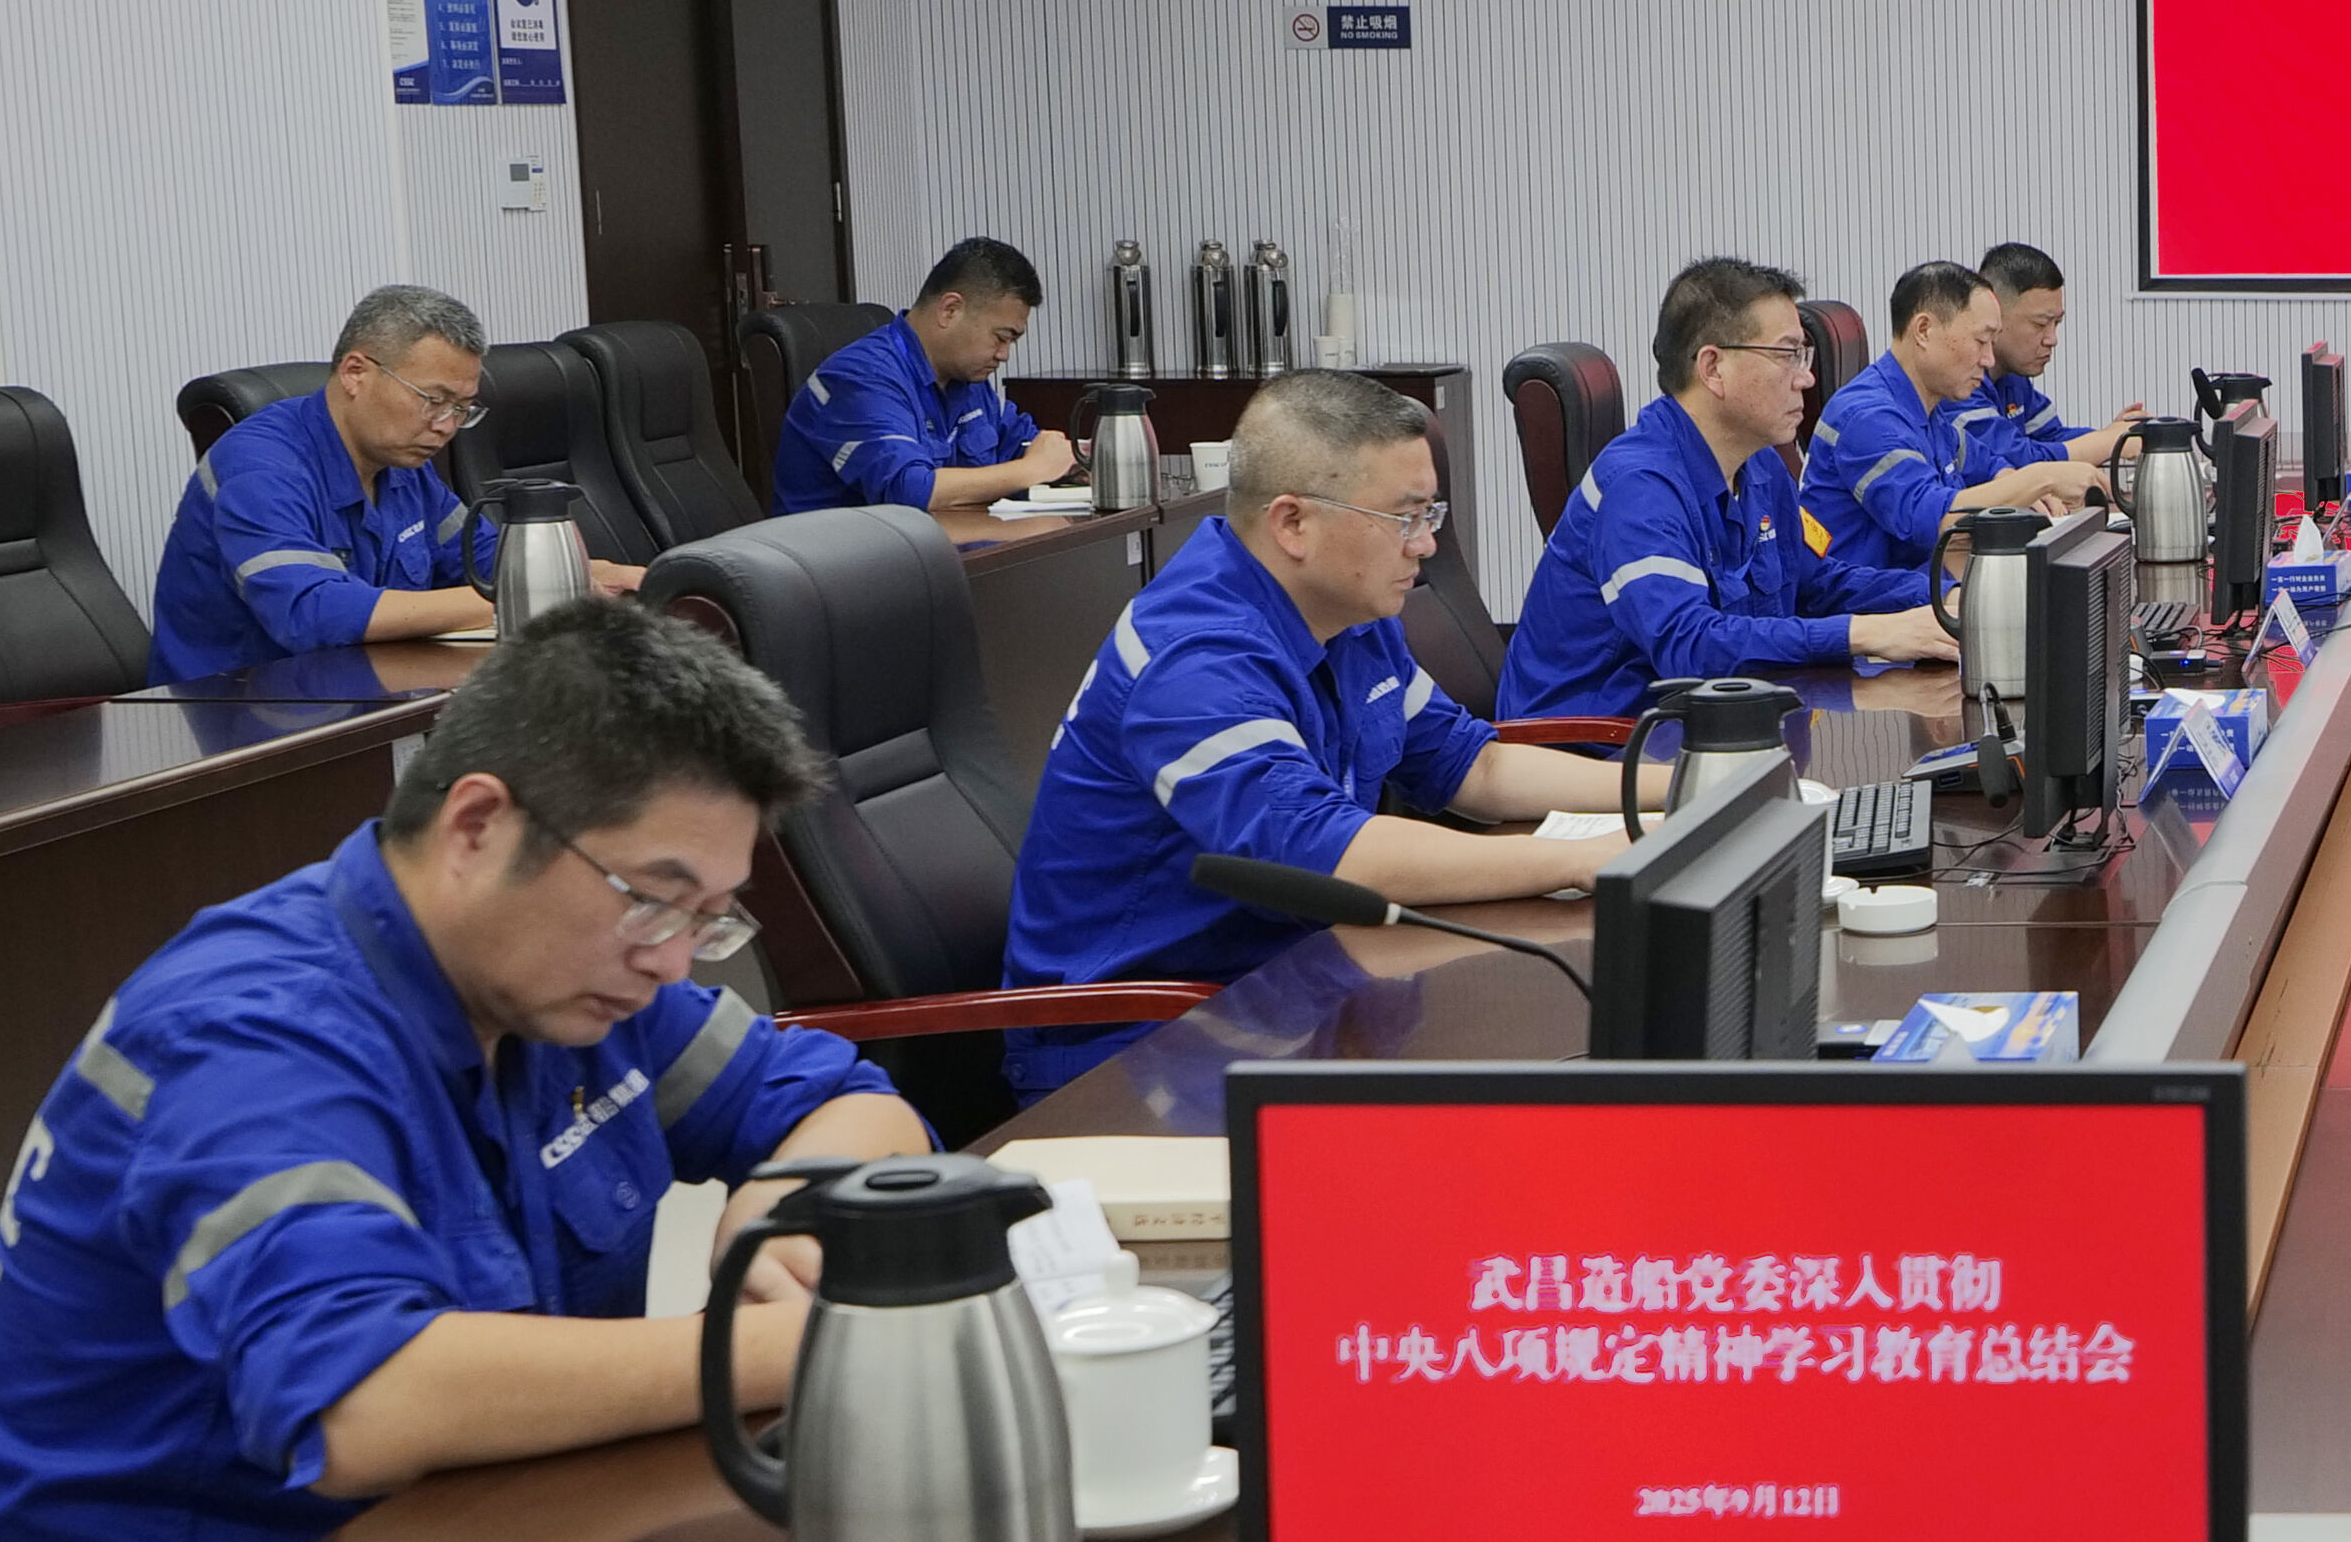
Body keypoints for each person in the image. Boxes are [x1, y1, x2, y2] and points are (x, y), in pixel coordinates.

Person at [0, 599, 923, 1542]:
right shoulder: (255, 1038)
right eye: (653, 899)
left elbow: (850, 1103)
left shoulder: (569, 979)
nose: (673, 960)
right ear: (479, 824)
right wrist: (792, 1346)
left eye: (709, 918)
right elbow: (367, 1401)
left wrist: (788, 1216)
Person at [999, 371, 1635, 1101]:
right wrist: (1579, 860)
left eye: (1431, 513)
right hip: (1141, 1047)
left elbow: (1474, 768)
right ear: (1293, 523)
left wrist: (1682, 786)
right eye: (1405, 517)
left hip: (1298, 986)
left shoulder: (1345, 612)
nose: (1427, 544)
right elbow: (1335, 853)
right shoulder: (1194, 658)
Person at [1500, 260, 1961, 720]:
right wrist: (1866, 634)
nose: (1806, 378)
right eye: (1787, 354)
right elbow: (1690, 646)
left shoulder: (1760, 464)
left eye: (1803, 355)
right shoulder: (1639, 488)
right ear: (1713, 367)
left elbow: (1817, 585)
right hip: (1597, 743)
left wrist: (1947, 597)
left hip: (1713, 722)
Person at [151, 284, 640, 680]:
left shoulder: (402, 464)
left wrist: (601, 574)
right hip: (236, 718)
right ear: (356, 373)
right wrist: (522, 599)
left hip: (360, 692)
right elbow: (310, 612)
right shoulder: (261, 466)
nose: (447, 426)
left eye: (462, 408)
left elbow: (485, 560)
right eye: (434, 400)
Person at [1813, 264, 2101, 601]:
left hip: (1928, 591)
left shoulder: (1929, 409)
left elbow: (1988, 464)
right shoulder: (1868, 416)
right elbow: (1936, 519)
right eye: (1981, 341)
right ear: (1924, 331)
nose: (1988, 359)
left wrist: (2022, 488)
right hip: (1874, 611)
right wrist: (2042, 479)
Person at [773, 237, 1083, 517]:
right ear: (950, 310)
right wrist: (1031, 469)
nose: (1004, 354)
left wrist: (1080, 461)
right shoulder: (859, 378)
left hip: (938, 549)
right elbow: (909, 491)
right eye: (1001, 337)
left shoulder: (965, 378)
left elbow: (1020, 444)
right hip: (840, 558)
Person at [1971, 244, 2145, 476]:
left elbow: (2052, 438)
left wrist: (2116, 432)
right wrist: (2110, 441)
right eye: (2040, 324)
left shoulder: (2012, 377)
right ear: (1994, 315)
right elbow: (2019, 460)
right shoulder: (1958, 383)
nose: (2052, 340)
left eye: (2057, 323)